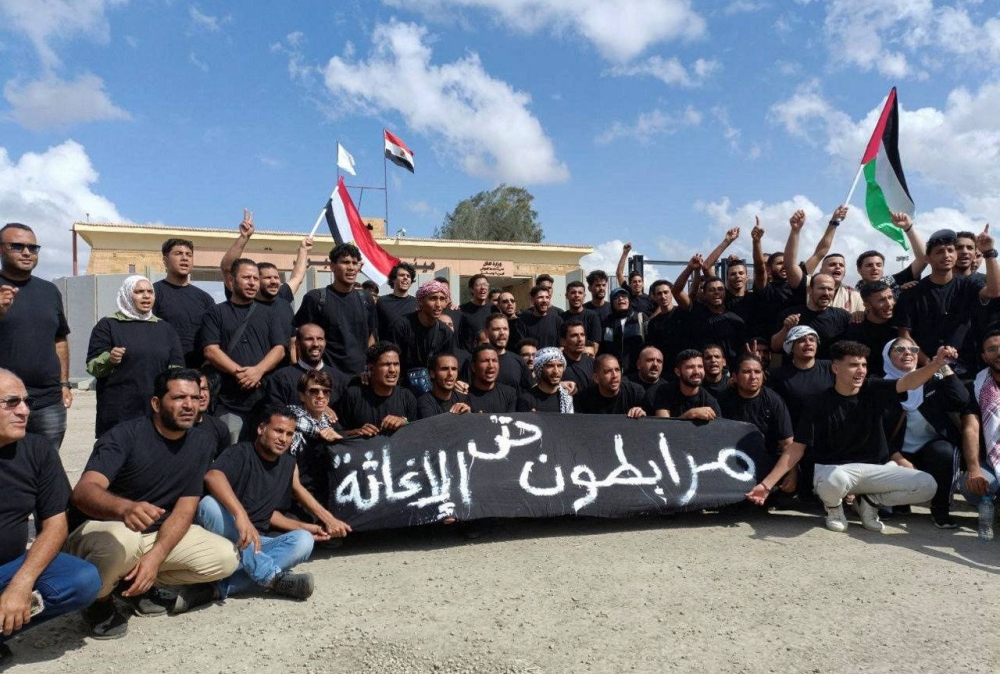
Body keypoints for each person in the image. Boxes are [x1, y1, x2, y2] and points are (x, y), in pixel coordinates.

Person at [67, 369, 239, 638]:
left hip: (153, 535)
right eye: (179, 397)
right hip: (105, 532)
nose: (189, 405)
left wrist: (155, 557)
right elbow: (84, 492)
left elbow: (185, 507)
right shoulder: (124, 436)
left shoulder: (201, 442)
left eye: (195, 397)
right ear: (156, 404)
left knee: (225, 558)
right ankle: (97, 602)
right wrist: (124, 508)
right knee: (125, 540)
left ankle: (135, 584)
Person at [746, 341, 946, 533]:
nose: (861, 370)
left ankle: (869, 502)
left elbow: (909, 382)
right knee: (834, 480)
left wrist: (936, 363)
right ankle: (834, 509)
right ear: (835, 369)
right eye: (853, 365)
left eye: (863, 365)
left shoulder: (874, 389)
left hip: (873, 470)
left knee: (927, 485)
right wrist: (766, 485)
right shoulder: (818, 403)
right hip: (835, 472)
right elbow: (797, 448)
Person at [186, 406, 350, 611]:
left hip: (254, 543)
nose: (284, 438)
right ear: (261, 429)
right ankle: (270, 576)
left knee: (303, 540)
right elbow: (213, 476)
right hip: (225, 535)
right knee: (208, 505)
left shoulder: (288, 464)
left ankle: (220, 587)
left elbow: (271, 513)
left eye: (290, 434)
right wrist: (241, 516)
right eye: (278, 431)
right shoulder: (240, 452)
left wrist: (309, 526)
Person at [0, 369, 101, 664]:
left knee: (82, 580)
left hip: (10, 568)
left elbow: (56, 524)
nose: (24, 411)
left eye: (26, 402)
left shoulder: (38, 450)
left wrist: (22, 584)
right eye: (11, 402)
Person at [881, 337, 969, 528]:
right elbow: (877, 434)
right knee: (886, 469)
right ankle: (893, 503)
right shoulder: (880, 386)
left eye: (913, 349)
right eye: (899, 349)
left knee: (945, 452)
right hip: (894, 452)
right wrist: (900, 460)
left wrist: (944, 367)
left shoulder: (931, 382)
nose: (907, 353)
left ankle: (940, 510)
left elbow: (961, 400)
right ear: (887, 356)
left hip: (930, 450)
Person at [0, 222, 72, 451]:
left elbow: (59, 339)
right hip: (4, 401)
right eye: (17, 246)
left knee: (45, 464)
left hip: (48, 401)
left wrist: (64, 383)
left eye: (33, 247)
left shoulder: (49, 291)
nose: (26, 252)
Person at [201, 259, 288, 443]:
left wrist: (258, 371)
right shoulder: (215, 313)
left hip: (265, 400)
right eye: (246, 277)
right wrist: (239, 373)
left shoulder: (270, 314)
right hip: (228, 401)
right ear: (231, 281)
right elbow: (210, 350)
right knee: (231, 453)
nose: (252, 283)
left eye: (255, 278)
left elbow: (279, 349)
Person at [87, 276, 184, 437]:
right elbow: (92, 366)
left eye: (150, 292)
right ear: (126, 294)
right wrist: (109, 359)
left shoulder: (165, 329)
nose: (146, 296)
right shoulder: (108, 325)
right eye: (139, 292)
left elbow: (177, 369)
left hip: (156, 410)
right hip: (119, 411)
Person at [896, 226, 999, 373]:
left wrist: (989, 253)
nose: (946, 255)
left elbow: (994, 291)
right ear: (927, 258)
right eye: (939, 252)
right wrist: (931, 364)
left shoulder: (969, 284)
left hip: (967, 371)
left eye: (950, 250)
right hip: (926, 372)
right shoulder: (911, 292)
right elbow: (904, 335)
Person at [293, 243, 377, 376]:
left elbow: (371, 338)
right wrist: (301, 375)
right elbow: (296, 339)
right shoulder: (316, 299)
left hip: (360, 379)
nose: (351, 267)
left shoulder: (366, 298)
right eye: (345, 262)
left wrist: (371, 368)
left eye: (355, 263)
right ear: (332, 266)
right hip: (324, 379)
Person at [718, 355, 793, 483]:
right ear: (735, 377)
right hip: (731, 462)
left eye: (757, 372)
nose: (753, 377)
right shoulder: (723, 400)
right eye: (747, 372)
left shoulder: (774, 401)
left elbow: (787, 444)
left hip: (766, 462)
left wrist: (792, 475)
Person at [219, 209, 311, 302]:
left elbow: (297, 278)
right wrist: (244, 237)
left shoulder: (281, 298)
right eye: (268, 278)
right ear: (257, 281)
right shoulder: (242, 298)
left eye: (276, 277)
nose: (273, 281)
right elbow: (227, 267)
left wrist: (303, 250)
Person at [153, 237, 217, 368]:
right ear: (165, 260)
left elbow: (214, 336)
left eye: (189, 255)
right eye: (178, 254)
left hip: (197, 372)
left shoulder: (205, 298)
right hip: (164, 370)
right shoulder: (153, 293)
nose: (185, 258)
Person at [783, 206, 861, 311]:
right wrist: (795, 231)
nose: (838, 267)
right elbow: (820, 252)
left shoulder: (854, 296)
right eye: (832, 264)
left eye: (841, 265)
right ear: (821, 270)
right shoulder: (808, 284)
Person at [961, 331, 1000, 537]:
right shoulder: (976, 387)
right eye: (992, 349)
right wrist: (974, 469)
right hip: (992, 462)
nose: (998, 353)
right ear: (984, 357)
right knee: (972, 484)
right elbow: (971, 427)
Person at [336, 342, 417, 436]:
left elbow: (418, 433)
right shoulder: (353, 395)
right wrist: (356, 433)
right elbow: (337, 434)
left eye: (396, 364)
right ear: (371, 368)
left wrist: (404, 423)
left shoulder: (407, 397)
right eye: (386, 364)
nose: (392, 370)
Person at [265, 323, 350, 412]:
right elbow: (274, 415)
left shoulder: (341, 380)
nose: (316, 344)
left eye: (320, 339)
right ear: (297, 343)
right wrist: (316, 409)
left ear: (325, 342)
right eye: (309, 339)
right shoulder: (281, 378)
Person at [390, 280, 455, 390]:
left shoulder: (445, 332)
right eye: (433, 298)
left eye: (442, 299)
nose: (438, 304)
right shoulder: (401, 325)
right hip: (401, 387)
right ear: (421, 301)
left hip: (432, 389)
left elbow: (446, 364)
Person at [770, 273, 850, 360]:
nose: (826, 293)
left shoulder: (842, 316)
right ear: (810, 290)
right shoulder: (790, 314)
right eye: (822, 288)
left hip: (829, 371)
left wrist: (859, 314)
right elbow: (775, 347)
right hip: (796, 371)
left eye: (830, 289)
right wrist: (786, 329)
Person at [767, 326, 833, 423]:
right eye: (801, 341)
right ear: (791, 347)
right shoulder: (779, 376)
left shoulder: (831, 367)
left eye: (812, 340)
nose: (808, 343)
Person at [462, 314, 531, 391]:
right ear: (486, 333)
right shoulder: (473, 360)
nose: (502, 333)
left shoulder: (518, 361)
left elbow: (530, 390)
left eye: (505, 329)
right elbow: (464, 389)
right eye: (496, 329)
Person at [845, 280, 897, 376]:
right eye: (881, 300)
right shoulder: (855, 331)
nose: (889, 304)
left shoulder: (900, 323)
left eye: (890, 297)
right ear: (867, 305)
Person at [651, 350, 721, 421]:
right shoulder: (665, 392)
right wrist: (690, 414)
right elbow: (663, 427)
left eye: (700, 367)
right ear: (678, 372)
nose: (696, 371)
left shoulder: (710, 402)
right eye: (690, 367)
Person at [575, 354, 645, 417]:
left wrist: (641, 413)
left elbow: (651, 421)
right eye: (608, 371)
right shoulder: (584, 399)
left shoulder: (635, 392)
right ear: (596, 378)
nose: (614, 375)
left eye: (617, 370)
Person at [599, 287, 645, 374]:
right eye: (616, 297)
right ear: (612, 303)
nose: (620, 299)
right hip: (613, 371)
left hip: (637, 371)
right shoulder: (606, 322)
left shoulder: (640, 318)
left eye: (624, 296)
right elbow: (603, 348)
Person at [644, 280, 688, 369]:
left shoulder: (683, 313)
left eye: (666, 292)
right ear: (655, 297)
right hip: (665, 368)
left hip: (685, 365)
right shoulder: (653, 323)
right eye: (659, 294)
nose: (663, 296)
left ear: (672, 293)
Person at [517, 347, 574, 413]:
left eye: (560, 366)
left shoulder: (567, 398)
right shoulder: (526, 399)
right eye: (550, 366)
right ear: (540, 370)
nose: (556, 371)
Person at [465, 344, 518, 413]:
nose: (491, 365)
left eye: (494, 360)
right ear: (473, 367)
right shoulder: (464, 395)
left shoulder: (509, 394)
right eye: (485, 361)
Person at [417, 353, 471, 419]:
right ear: (432, 373)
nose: (450, 373)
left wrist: (469, 416)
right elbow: (433, 428)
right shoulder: (425, 402)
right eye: (444, 369)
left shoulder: (463, 399)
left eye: (454, 369)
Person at [376, 263, 418, 339]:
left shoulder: (417, 303)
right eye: (401, 275)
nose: (405, 278)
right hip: (388, 349)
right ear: (393, 279)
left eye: (408, 276)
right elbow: (374, 330)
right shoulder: (382, 302)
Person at [195, 372, 231, 458]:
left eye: (204, 389)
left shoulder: (219, 427)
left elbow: (223, 465)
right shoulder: (176, 427)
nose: (202, 395)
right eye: (197, 389)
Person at [457, 274, 494, 351]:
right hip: (470, 357)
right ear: (471, 289)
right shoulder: (461, 310)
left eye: (485, 285)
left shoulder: (494, 309)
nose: (483, 288)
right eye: (479, 285)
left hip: (491, 355)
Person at [616, 243, 652, 314]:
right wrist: (625, 253)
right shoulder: (627, 294)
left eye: (639, 281)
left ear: (643, 283)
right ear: (630, 284)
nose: (637, 284)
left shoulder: (649, 299)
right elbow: (619, 273)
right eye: (634, 282)